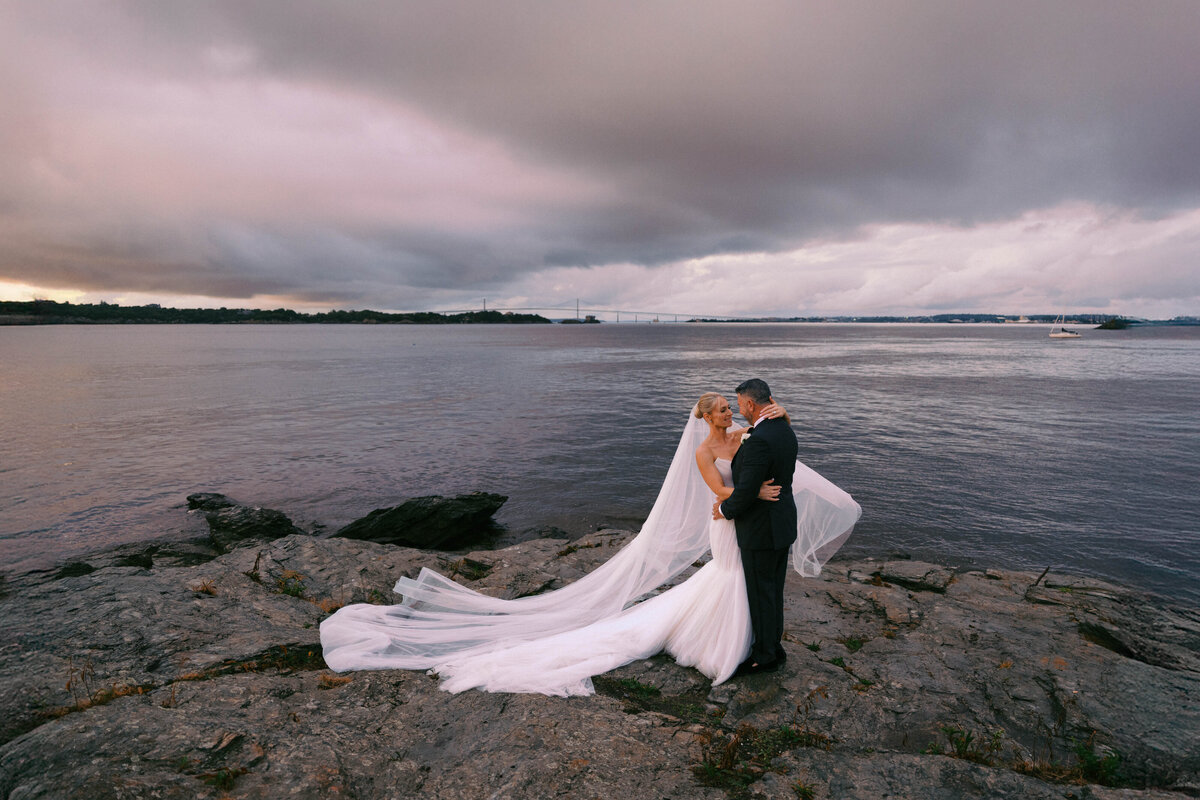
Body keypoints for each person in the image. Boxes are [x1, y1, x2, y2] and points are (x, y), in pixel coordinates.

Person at [320, 390, 862, 696]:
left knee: (735, 582)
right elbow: (721, 491)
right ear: (707, 417)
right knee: (731, 579)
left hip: (742, 517)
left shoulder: (745, 434)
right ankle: (739, 645)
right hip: (728, 519)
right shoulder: (704, 450)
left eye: (730, 406)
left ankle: (748, 643)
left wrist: (776, 421)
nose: (727, 412)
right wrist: (741, 498)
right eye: (721, 408)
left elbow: (766, 438)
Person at [714, 378, 797, 676]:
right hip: (782, 523)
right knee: (773, 591)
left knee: (762, 594)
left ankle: (764, 656)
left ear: (750, 404)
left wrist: (724, 509)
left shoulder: (759, 439)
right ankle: (774, 646)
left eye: (738, 405)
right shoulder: (784, 429)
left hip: (761, 528)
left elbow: (747, 489)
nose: (738, 411)